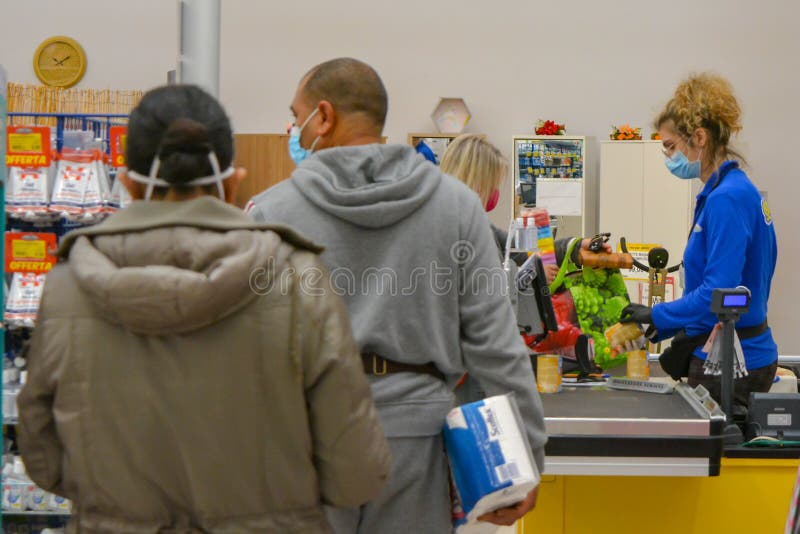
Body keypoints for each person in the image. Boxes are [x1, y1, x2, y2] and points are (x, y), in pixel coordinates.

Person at [17, 85, 391, 533]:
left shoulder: (68, 286)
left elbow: (42, 458)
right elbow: (355, 474)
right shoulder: (295, 278)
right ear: (231, 180)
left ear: (129, 181)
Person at [247, 58, 547, 533]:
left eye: (297, 115)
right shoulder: (456, 208)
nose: (294, 129)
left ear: (323, 117)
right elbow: (496, 344)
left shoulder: (270, 213)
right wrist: (527, 455)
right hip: (415, 446)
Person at [621, 73, 778, 406]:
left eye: (670, 146)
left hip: (732, 363)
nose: (668, 158)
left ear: (700, 138)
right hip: (734, 352)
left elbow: (719, 294)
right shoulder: (734, 192)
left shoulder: (727, 200)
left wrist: (657, 314)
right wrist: (657, 328)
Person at [439, 133, 611, 283]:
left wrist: (575, 246)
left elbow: (519, 251)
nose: (494, 194)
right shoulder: (450, 232)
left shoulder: (478, 224)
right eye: (491, 186)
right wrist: (533, 273)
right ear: (473, 183)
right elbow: (486, 290)